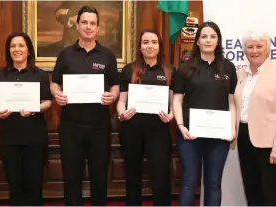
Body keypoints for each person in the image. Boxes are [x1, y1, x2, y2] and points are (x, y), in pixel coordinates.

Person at [50, 6, 119, 206]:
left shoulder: (107, 55)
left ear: (98, 28)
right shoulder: (65, 54)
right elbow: (54, 82)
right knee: (71, 176)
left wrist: (112, 96)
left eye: (92, 23)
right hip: (71, 126)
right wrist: (57, 94)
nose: (88, 27)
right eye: (84, 23)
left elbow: (115, 85)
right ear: (77, 25)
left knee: (99, 176)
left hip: (99, 126)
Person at [172, 21, 237, 206]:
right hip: (189, 134)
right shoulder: (185, 68)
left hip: (219, 136)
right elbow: (176, 100)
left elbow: (231, 102)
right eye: (204, 36)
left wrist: (231, 128)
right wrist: (181, 126)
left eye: (213, 36)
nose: (208, 40)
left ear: (218, 41)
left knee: (214, 183)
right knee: (189, 182)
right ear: (197, 41)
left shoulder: (228, 68)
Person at [0, 32, 52, 206]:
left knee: (34, 183)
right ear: (9, 50)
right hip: (9, 137)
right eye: (13, 46)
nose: (17, 49)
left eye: (21, 45)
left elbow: (48, 102)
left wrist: (35, 108)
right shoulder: (0, 75)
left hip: (34, 138)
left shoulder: (39, 75)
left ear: (28, 50)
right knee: (14, 184)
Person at [117, 29, 174, 206]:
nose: (150, 46)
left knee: (160, 175)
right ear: (140, 47)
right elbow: (121, 101)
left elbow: (174, 103)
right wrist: (121, 113)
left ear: (160, 46)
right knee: (132, 174)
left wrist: (171, 116)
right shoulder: (129, 70)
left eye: (154, 42)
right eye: (146, 42)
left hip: (159, 130)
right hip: (131, 129)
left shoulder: (169, 71)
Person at [234, 30, 276, 206]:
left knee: (270, 193)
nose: (254, 50)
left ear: (268, 48)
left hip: (269, 142)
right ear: (244, 50)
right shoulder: (240, 73)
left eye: (259, 46)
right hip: (244, 137)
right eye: (250, 47)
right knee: (252, 191)